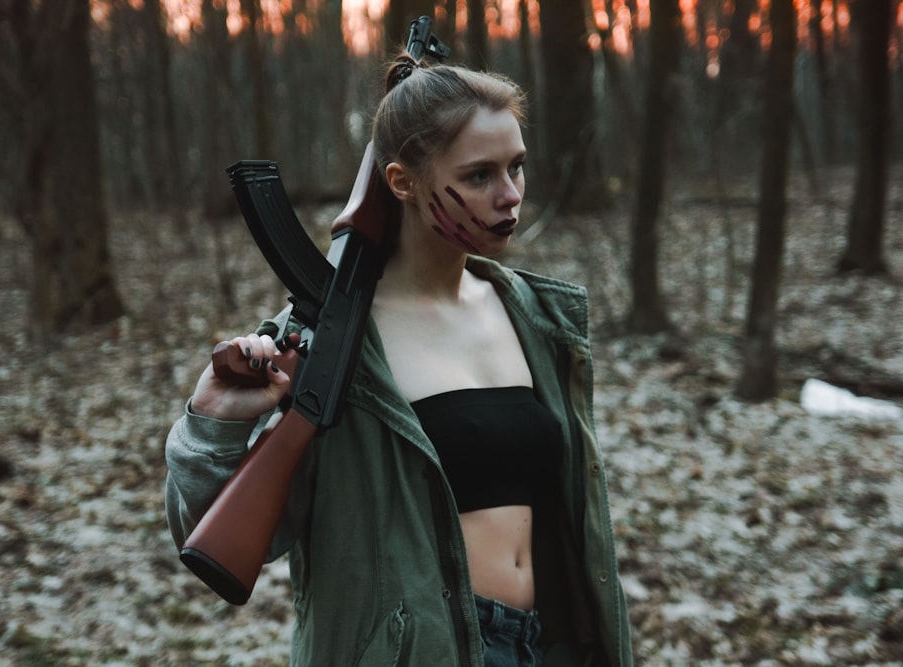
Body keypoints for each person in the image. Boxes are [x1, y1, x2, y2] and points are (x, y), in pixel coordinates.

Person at [165, 47, 633, 667]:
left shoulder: (531, 314)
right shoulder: (325, 335)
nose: (510, 195)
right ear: (401, 182)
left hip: (549, 643)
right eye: (478, 176)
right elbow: (233, 531)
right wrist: (213, 424)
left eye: (517, 168)